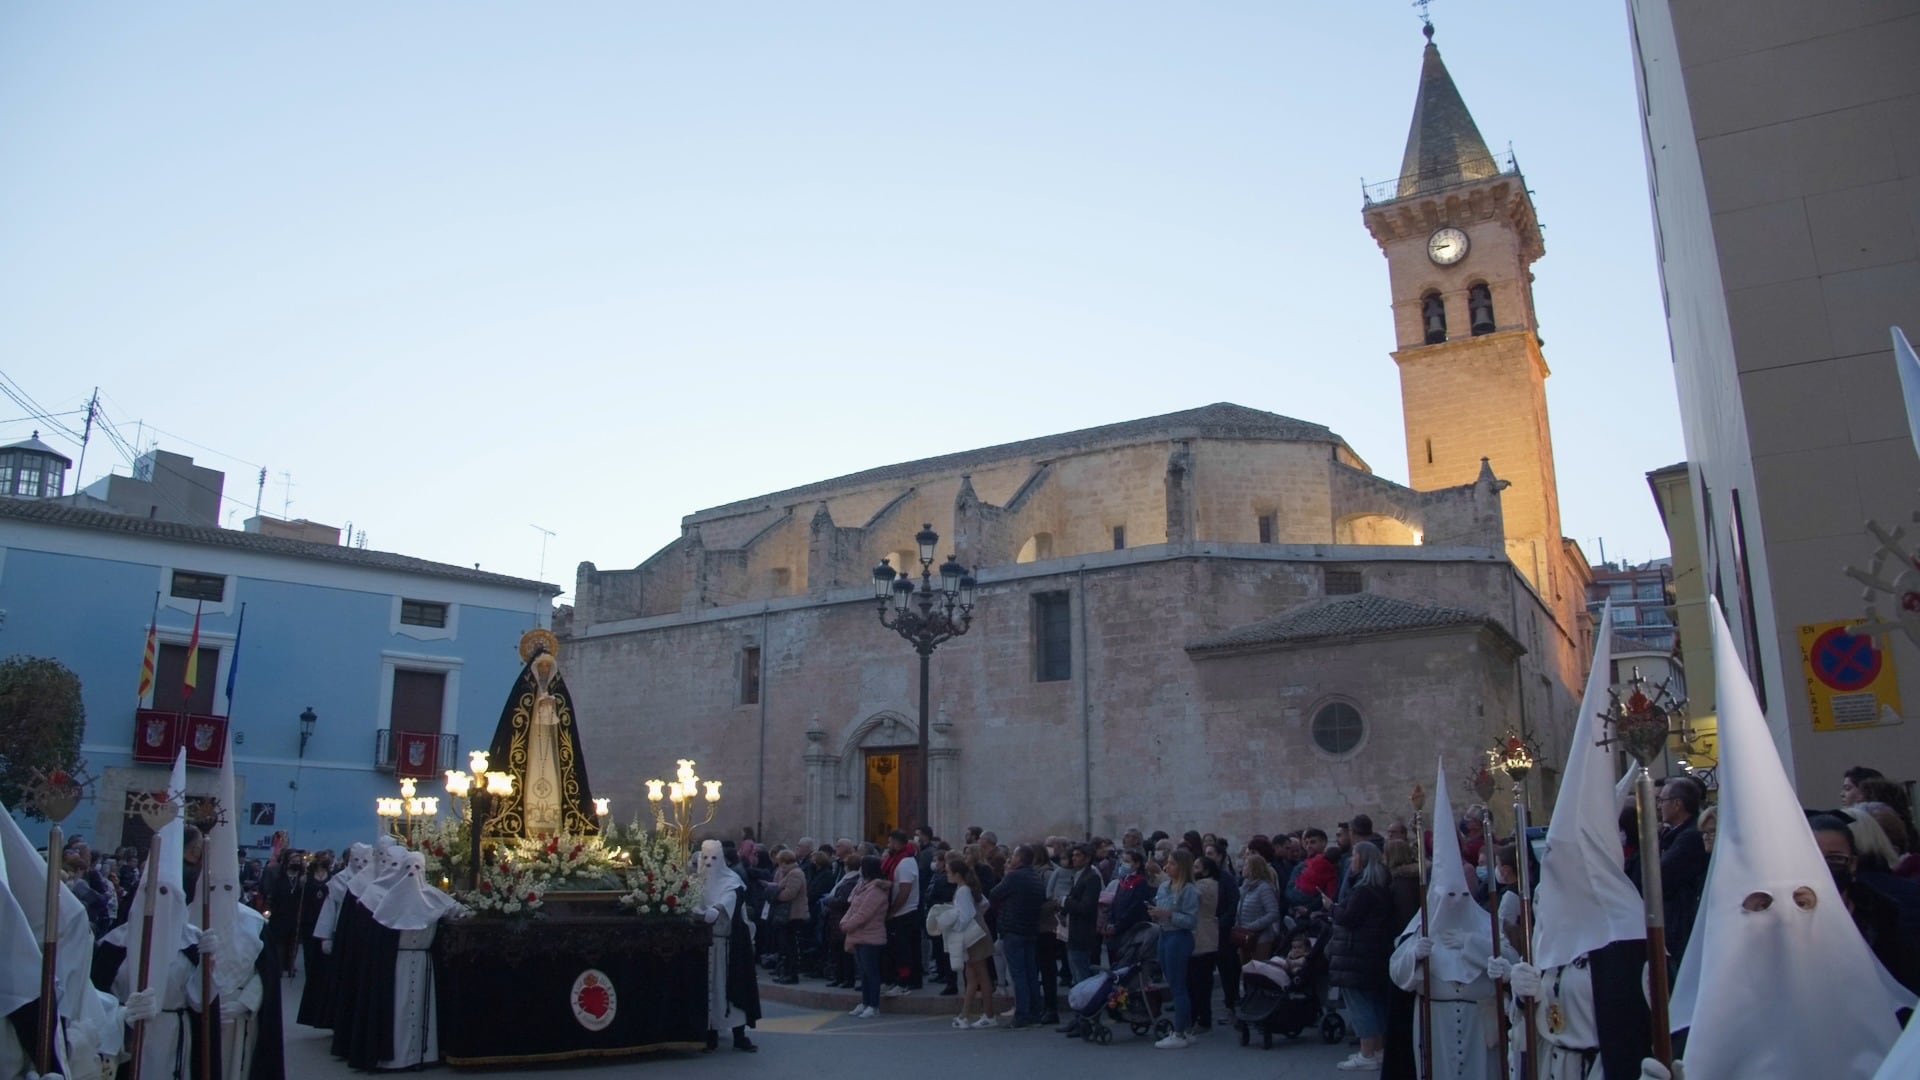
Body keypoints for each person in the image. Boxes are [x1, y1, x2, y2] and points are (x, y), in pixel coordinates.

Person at [1390, 762, 1516, 1080]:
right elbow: (1398, 971)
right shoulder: (1422, 927)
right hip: (1437, 1022)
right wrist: (1414, 955)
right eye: (1447, 898)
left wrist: (1473, 946)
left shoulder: (1487, 924)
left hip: (1479, 1023)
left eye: (1460, 896)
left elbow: (1510, 962)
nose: (1454, 904)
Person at [361, 850, 455, 1069]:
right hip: (398, 965)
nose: (413, 873)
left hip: (423, 963)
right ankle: (394, 1059)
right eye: (408, 868)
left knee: (423, 1007)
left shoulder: (433, 896)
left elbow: (454, 909)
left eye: (417, 868)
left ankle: (423, 1055)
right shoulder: (388, 900)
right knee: (398, 1007)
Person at [1329, 841, 1396, 1071]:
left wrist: (1331, 907)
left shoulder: (1363, 890)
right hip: (1372, 953)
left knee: (1360, 1004)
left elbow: (1348, 917)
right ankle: (1377, 1049)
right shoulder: (1380, 887)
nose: (1351, 861)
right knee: (1373, 1002)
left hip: (1357, 954)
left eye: (1355, 856)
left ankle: (1368, 1051)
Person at [696, 838, 759, 1052]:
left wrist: (716, 909)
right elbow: (694, 901)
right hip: (705, 947)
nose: (709, 863)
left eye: (714, 858)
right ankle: (710, 1033)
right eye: (705, 858)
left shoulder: (731, 881)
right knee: (709, 992)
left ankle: (739, 1035)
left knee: (732, 989)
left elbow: (728, 900)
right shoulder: (698, 880)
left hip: (729, 947)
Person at [989, 843, 1046, 1030]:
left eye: (1013, 856)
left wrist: (1006, 876)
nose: (1010, 860)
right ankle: (1035, 1012)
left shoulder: (1015, 876)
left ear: (1020, 859)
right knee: (1030, 973)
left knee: (1019, 974)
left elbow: (994, 893)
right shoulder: (1035, 877)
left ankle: (1022, 1015)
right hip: (1029, 929)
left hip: (1013, 929)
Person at [1149, 848, 1202, 1049]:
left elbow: (1190, 920)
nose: (1167, 866)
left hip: (1179, 937)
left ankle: (1180, 1032)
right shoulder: (1164, 886)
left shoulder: (1189, 890)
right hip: (1164, 934)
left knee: (1178, 985)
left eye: (1171, 863)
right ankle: (1184, 1029)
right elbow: (1160, 908)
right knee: (1173, 982)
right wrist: (1156, 912)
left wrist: (1169, 914)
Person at [1656, 775, 1708, 972]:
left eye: (1662, 801)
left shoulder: (1689, 838)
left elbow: (1661, 877)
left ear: (1677, 804)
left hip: (1683, 922)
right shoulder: (1675, 835)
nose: (1659, 806)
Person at [937, 857, 994, 1028]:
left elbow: (966, 914)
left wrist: (955, 925)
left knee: (978, 976)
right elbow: (984, 904)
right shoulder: (968, 888)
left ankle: (986, 1014)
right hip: (977, 934)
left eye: (948, 872)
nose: (946, 875)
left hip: (972, 937)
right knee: (974, 976)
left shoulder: (962, 890)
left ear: (956, 874)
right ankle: (966, 1014)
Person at [837, 854, 892, 1019]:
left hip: (871, 935)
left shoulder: (876, 890)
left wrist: (847, 925)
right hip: (859, 934)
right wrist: (844, 921)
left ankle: (873, 1005)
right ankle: (865, 1002)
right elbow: (853, 906)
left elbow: (864, 913)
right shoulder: (863, 886)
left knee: (871, 972)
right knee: (863, 972)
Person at [880, 830, 922, 995]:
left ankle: (904, 982)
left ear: (897, 843)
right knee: (899, 948)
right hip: (900, 912)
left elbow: (904, 890)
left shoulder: (905, 862)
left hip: (905, 912)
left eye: (890, 842)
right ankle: (898, 979)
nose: (888, 846)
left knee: (903, 949)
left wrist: (892, 910)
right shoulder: (896, 861)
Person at [1187, 854, 1222, 1034]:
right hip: (1198, 939)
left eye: (1197, 867)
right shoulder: (1199, 885)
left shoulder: (1207, 885)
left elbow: (1188, 892)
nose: (1194, 871)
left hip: (1204, 939)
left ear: (1206, 871)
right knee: (1193, 982)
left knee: (1201, 983)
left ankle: (1203, 1019)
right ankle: (1194, 1017)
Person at [1236, 852, 1281, 964]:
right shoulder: (1245, 887)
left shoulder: (1264, 888)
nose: (1243, 868)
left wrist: (1253, 926)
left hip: (1261, 938)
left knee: (1259, 969)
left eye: (1246, 865)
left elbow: (1273, 913)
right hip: (1244, 935)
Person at [769, 850, 806, 984]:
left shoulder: (795, 873)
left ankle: (792, 974)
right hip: (786, 914)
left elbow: (790, 894)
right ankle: (786, 972)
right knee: (785, 945)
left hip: (793, 914)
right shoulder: (788, 873)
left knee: (790, 946)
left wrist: (774, 894)